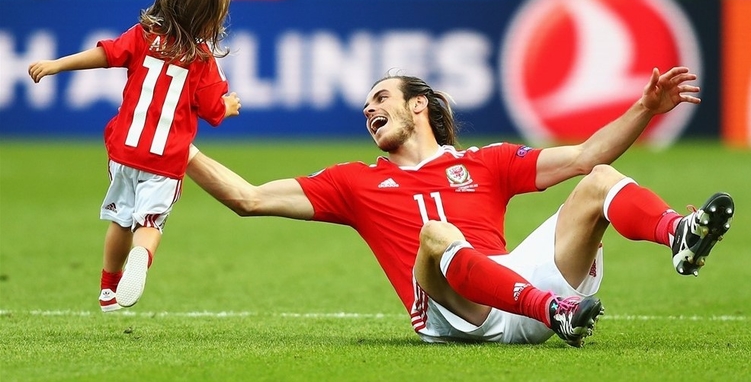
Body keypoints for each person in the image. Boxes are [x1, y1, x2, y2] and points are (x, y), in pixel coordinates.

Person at [185, 67, 733, 347]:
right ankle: (556, 310)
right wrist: (178, 148)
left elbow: (588, 154)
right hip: (450, 311)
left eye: (380, 98)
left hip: (511, 290)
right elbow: (247, 198)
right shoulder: (354, 182)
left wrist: (644, 107)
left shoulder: (486, 163)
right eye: (366, 105)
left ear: (417, 105)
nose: (368, 109)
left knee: (600, 179)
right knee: (438, 233)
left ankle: (678, 234)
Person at [28, 0, 241, 313]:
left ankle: (107, 288)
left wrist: (57, 65)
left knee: (120, 219)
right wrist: (228, 107)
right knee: (149, 223)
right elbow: (211, 109)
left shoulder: (143, 36)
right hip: (165, 159)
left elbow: (106, 55)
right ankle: (141, 256)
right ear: (208, 20)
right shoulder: (203, 60)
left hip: (124, 152)